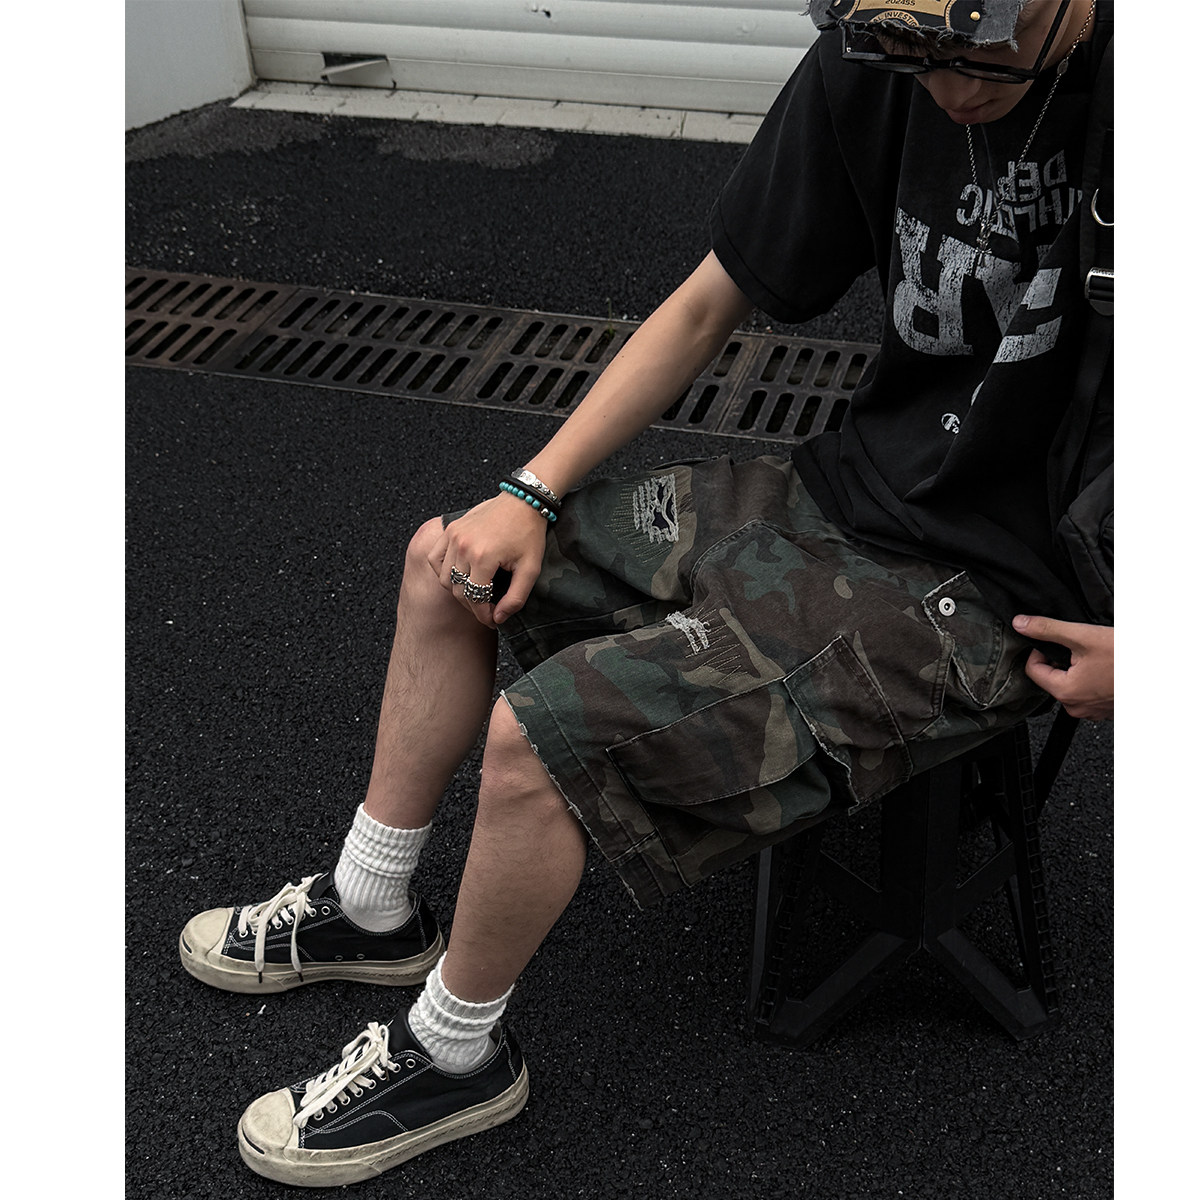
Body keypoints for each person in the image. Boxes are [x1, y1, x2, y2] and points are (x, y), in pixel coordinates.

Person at [177, 0, 1114, 1186]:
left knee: (540, 740)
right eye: (910, 51)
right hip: (847, 494)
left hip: (995, 591)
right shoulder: (874, 59)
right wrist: (530, 489)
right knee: (450, 564)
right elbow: (708, 301)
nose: (950, 87)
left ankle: (457, 1055)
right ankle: (372, 906)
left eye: (982, 47)